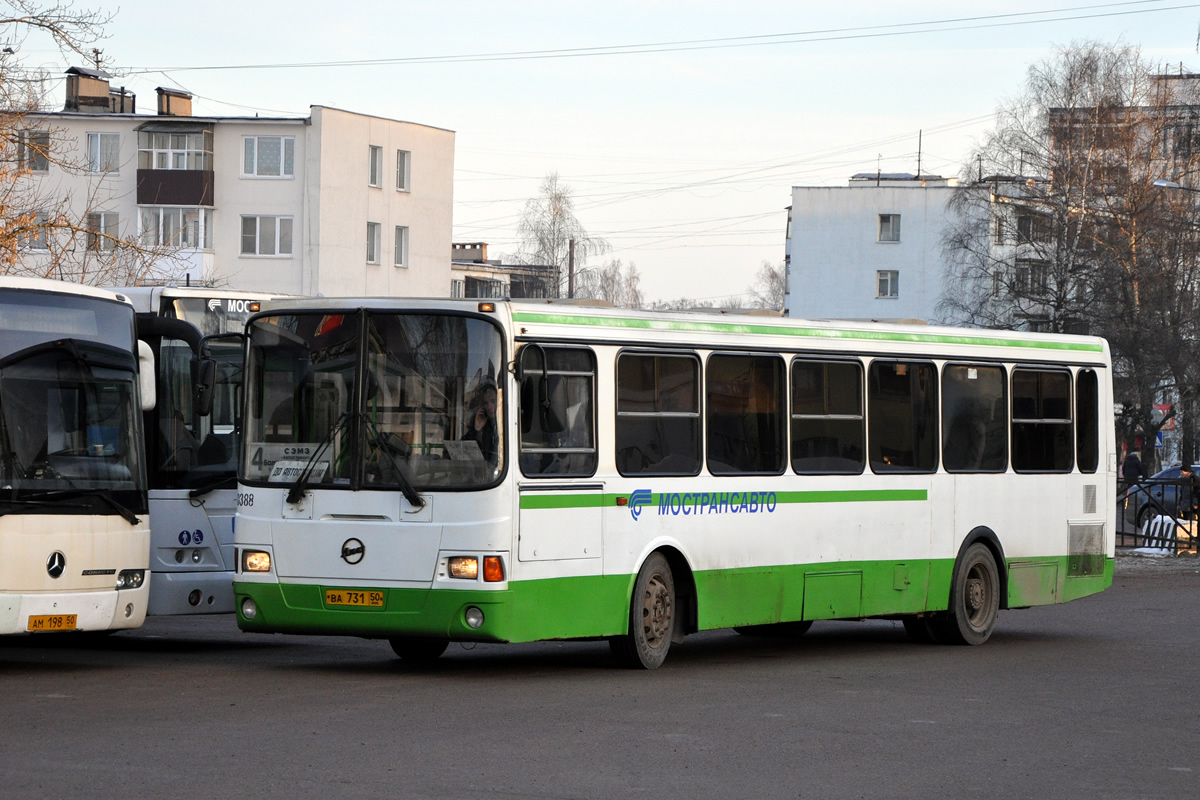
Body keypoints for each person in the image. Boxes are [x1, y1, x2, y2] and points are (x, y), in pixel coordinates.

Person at [461, 384, 498, 465]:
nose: (489, 407)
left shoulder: (507, 423)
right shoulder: (485, 423)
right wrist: (476, 429)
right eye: (486, 403)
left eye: (493, 401)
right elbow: (464, 447)